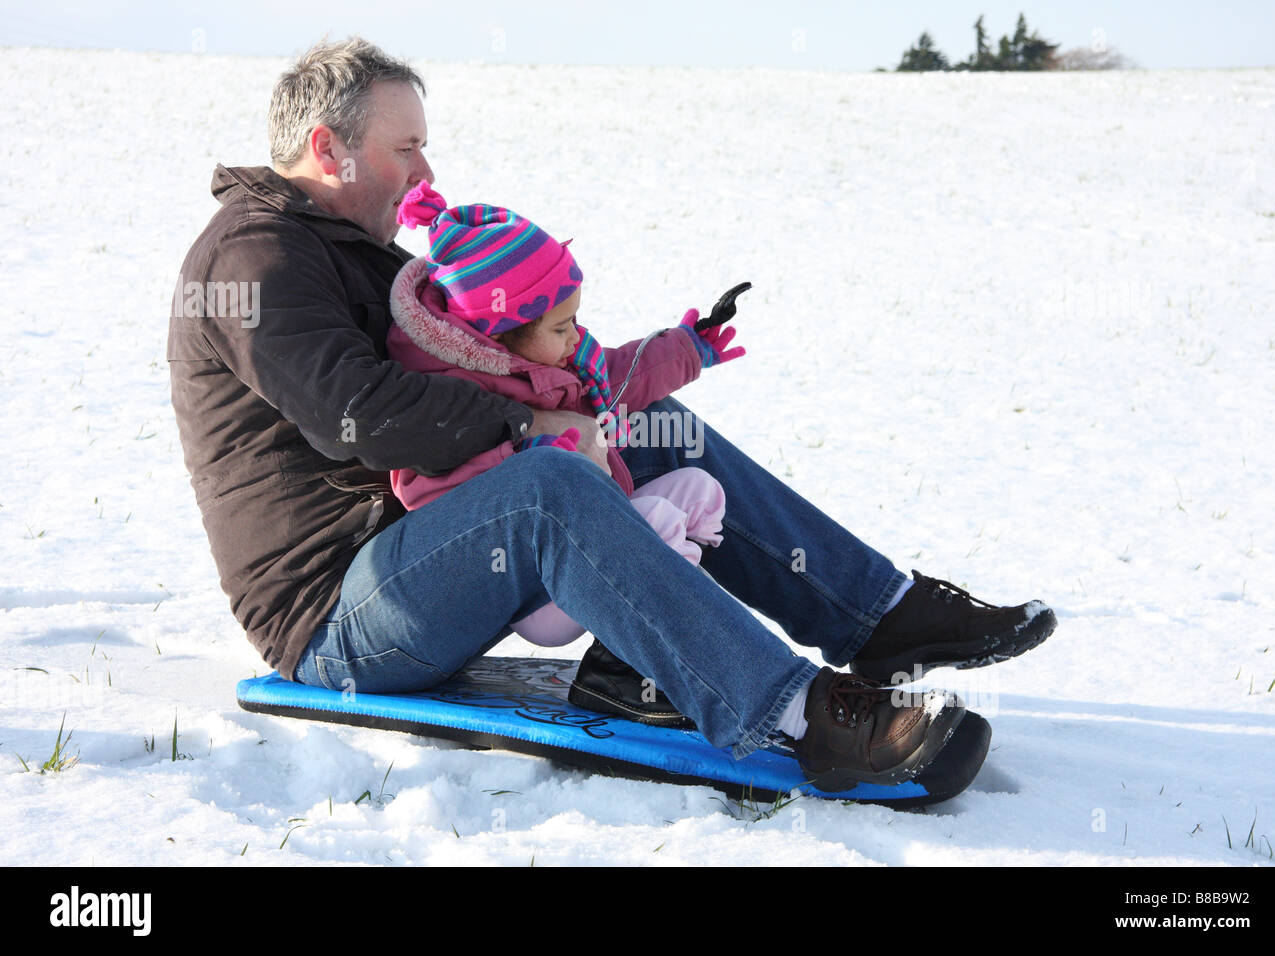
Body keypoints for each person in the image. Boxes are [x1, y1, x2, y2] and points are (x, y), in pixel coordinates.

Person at [168, 37, 1057, 792]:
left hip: (422, 552)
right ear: (330, 149)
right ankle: (797, 714)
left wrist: (595, 386)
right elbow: (352, 416)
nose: (426, 172)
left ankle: (876, 617)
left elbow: (495, 366)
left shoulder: (356, 255)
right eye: (406, 149)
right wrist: (526, 431)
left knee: (646, 422)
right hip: (337, 614)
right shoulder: (252, 261)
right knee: (548, 485)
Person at [384, 180, 731, 653]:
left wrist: (690, 348)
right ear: (503, 329)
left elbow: (622, 375)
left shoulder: (555, 361)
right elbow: (431, 492)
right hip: (536, 586)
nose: (576, 337)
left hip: (589, 536)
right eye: (562, 326)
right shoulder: (454, 398)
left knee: (699, 491)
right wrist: (534, 456)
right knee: (658, 521)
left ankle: (676, 603)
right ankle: (665, 645)